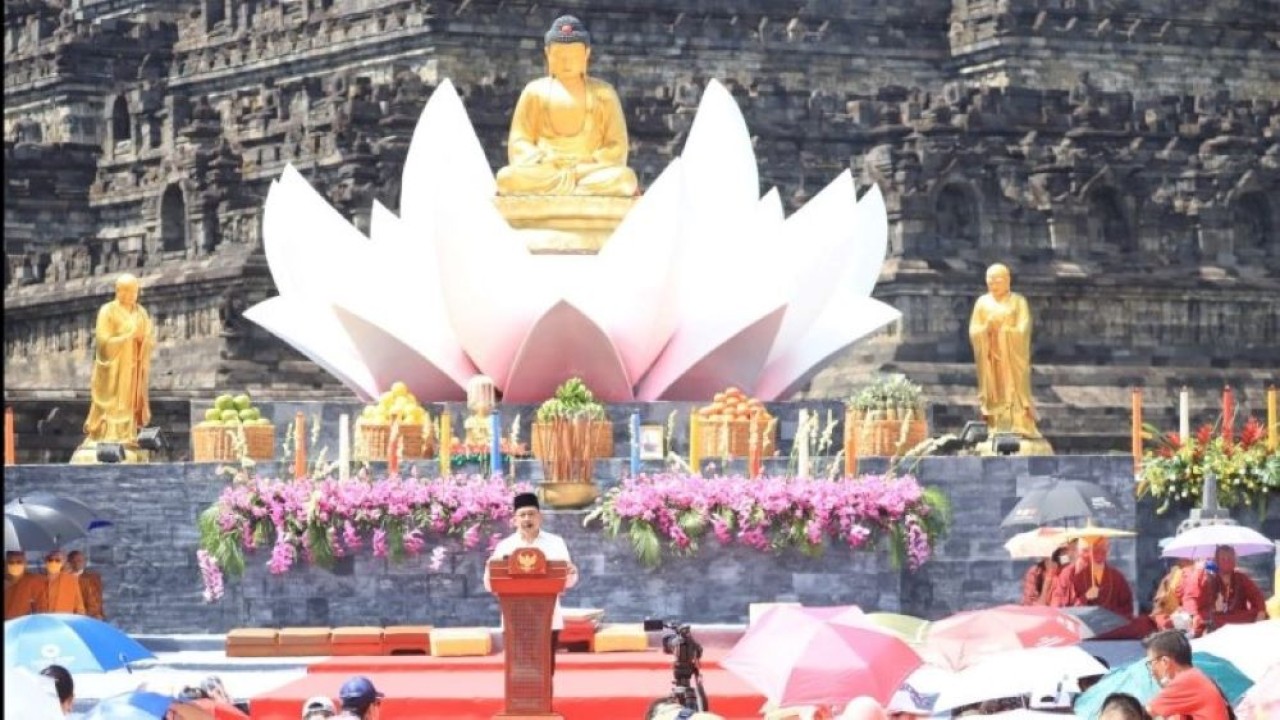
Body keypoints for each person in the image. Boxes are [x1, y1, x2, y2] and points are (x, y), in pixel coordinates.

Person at [494, 15, 638, 197]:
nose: (567, 62)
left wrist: (589, 161)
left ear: (586, 54)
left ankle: (568, 191)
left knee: (625, 179)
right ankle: (575, 193)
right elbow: (519, 141)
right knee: (506, 178)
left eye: (573, 56)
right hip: (547, 171)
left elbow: (617, 145)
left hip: (587, 171)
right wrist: (544, 159)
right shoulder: (534, 92)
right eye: (560, 56)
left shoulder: (604, 94)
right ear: (548, 54)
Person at [484, 492, 579, 676]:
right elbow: (490, 584)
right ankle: (520, 704)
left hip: (547, 617)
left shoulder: (555, 543)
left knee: (545, 670)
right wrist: (489, 571)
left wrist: (571, 573)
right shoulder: (505, 546)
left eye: (531, 514)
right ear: (514, 520)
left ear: (540, 517)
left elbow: (568, 580)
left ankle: (544, 704)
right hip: (515, 618)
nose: (527, 519)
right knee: (519, 672)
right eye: (523, 515)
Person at [79, 273, 155, 450]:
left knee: (130, 403)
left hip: (133, 368)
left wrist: (143, 341)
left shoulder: (141, 312)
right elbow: (103, 343)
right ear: (118, 291)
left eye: (135, 291)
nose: (132, 295)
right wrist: (128, 338)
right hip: (114, 369)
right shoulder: (108, 311)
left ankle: (128, 434)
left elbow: (148, 338)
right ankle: (107, 434)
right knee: (112, 403)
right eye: (127, 291)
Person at [968, 263, 1042, 439]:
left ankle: (1020, 423)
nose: (993, 283)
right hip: (992, 361)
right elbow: (974, 330)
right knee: (994, 392)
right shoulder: (982, 302)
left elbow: (1024, 329)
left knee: (1015, 391)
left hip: (1012, 358)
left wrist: (1006, 331)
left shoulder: (1018, 301)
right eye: (990, 280)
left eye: (998, 280)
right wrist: (986, 329)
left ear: (1008, 280)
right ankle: (996, 425)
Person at [1049, 536, 1153, 639]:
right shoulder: (1069, 574)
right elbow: (1060, 607)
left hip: (1110, 625)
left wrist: (1111, 617)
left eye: (1103, 549)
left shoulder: (1115, 576)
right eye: (1090, 550)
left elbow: (1126, 607)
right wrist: (1085, 597)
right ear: (1080, 552)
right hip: (1081, 624)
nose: (1099, 554)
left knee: (1143, 623)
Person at [1143, 629, 1232, 720]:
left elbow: (1142, 714)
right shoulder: (1194, 676)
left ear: (1165, 662)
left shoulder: (1184, 681)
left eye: (1151, 663)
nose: (1152, 670)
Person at [1181, 545, 1267, 637]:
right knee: (1201, 619)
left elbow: (1257, 596)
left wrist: (1261, 612)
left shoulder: (1241, 577)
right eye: (1223, 558)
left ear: (1235, 560)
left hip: (1236, 618)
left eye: (1229, 558)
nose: (1226, 561)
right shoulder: (1204, 576)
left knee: (1255, 614)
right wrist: (1192, 616)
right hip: (1212, 618)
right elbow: (1190, 598)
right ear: (1216, 560)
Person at [42, 550, 87, 615]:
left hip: (64, 620)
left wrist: (80, 622)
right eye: (50, 560)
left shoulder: (71, 580)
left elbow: (79, 607)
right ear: (46, 562)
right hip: (44, 621)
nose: (53, 562)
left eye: (57, 560)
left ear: (63, 563)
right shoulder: (37, 580)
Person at [5, 550, 47, 619]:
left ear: (25, 564)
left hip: (23, 624)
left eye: (19, 562)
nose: (15, 565)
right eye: (11, 562)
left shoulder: (33, 580)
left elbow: (41, 607)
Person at [66, 550, 105, 620]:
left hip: (89, 615)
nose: (77, 563)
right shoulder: (64, 579)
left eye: (79, 561)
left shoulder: (92, 578)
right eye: (73, 561)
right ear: (69, 563)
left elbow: (96, 599)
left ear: (84, 562)